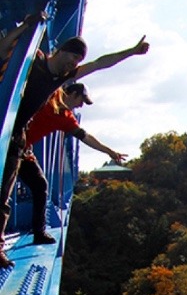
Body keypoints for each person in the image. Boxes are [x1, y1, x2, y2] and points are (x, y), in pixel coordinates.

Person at [0, 33, 149, 267]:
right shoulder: (34, 61)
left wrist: (131, 51)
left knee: (25, 188)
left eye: (78, 62)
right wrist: (25, 28)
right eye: (73, 57)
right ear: (60, 50)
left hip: (18, 140)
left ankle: (32, 233)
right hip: (5, 129)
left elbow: (100, 64)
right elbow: (5, 51)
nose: (74, 64)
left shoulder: (65, 113)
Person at [21, 82, 127, 244]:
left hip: (23, 150)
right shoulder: (50, 94)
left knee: (40, 185)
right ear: (73, 94)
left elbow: (86, 137)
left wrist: (109, 152)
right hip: (10, 143)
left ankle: (39, 233)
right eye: (81, 101)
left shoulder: (65, 119)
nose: (81, 106)